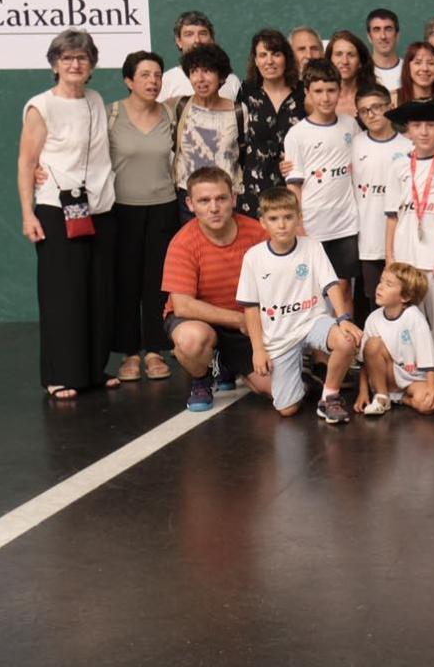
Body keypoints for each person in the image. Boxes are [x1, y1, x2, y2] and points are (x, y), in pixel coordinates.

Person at [19, 29, 120, 399]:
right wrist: (28, 213)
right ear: (54, 64)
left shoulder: (95, 99)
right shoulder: (40, 106)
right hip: (55, 210)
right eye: (67, 58)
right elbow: (26, 161)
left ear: (91, 64)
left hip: (99, 209)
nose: (74, 64)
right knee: (63, 294)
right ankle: (58, 374)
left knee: (96, 292)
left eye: (81, 58)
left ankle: (91, 369)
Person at [237, 187, 362, 423]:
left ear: (299, 218)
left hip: (312, 321)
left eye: (288, 217)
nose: (282, 225)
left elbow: (331, 285)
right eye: (274, 219)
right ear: (263, 222)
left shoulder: (312, 246)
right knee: (288, 409)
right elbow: (251, 308)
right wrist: (258, 349)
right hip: (280, 334)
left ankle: (330, 398)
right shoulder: (253, 257)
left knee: (345, 342)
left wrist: (343, 319)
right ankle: (302, 376)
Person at [161, 167, 268, 412]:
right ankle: (202, 377)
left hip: (245, 321)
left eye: (221, 198)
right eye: (204, 200)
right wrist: (240, 319)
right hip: (200, 320)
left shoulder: (257, 234)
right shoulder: (182, 243)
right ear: (190, 204)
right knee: (191, 340)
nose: (214, 207)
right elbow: (183, 305)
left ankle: (227, 364)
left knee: (271, 390)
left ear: (234, 198)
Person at [106, 50, 178, 383]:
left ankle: (154, 350)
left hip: (164, 207)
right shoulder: (111, 115)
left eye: (157, 75)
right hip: (120, 209)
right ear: (129, 80)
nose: (153, 81)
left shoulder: (172, 113)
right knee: (125, 283)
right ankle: (129, 353)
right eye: (145, 75)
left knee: (156, 283)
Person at [384, 98, 434, 366]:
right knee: (409, 320)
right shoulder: (397, 166)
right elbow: (392, 217)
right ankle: (411, 370)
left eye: (431, 125)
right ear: (408, 130)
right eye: (417, 125)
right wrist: (389, 258)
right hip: (406, 260)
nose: (424, 131)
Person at [281, 60, 359, 296]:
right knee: (314, 290)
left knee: (343, 289)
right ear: (307, 92)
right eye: (318, 91)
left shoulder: (351, 125)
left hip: (346, 225)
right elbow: (294, 185)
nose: (325, 98)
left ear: (340, 91)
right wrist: (299, 224)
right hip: (313, 226)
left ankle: (347, 333)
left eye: (331, 90)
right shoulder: (297, 134)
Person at [356, 262, 434, 416]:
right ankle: (382, 396)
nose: (380, 287)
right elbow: (364, 362)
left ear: (405, 296)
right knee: (372, 345)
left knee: (427, 405)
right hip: (389, 376)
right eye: (381, 281)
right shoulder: (373, 318)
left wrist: (432, 387)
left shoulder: (414, 317)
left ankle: (399, 399)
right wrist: (363, 392)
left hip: (414, 379)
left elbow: (428, 356)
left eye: (389, 284)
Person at [350, 88, 406, 323]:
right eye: (364, 111)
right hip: (368, 239)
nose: (370, 114)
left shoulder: (407, 146)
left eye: (376, 107)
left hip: (402, 240)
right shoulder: (355, 143)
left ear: (389, 107)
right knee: (375, 299)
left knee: (402, 299)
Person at [234, 29, 303, 217]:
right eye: (263, 55)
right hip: (254, 185)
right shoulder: (247, 92)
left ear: (286, 58)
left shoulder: (303, 93)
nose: (269, 61)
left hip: (294, 184)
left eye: (276, 54)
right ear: (255, 60)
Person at [169, 43, 241, 217]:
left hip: (226, 199)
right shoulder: (179, 106)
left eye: (207, 71)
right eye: (194, 71)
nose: (200, 78)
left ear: (221, 76)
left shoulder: (239, 112)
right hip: (189, 200)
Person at [158, 11, 240, 102]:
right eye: (189, 34)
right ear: (179, 41)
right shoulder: (166, 81)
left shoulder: (231, 81)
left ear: (212, 39)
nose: (197, 40)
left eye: (203, 33)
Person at [326, 30, 378, 113]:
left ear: (360, 62)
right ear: (329, 60)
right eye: (338, 54)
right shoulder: (317, 101)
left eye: (351, 55)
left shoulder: (375, 97)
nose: (345, 61)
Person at [391, 41, 434, 105]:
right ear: (407, 68)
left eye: (431, 63)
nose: (425, 68)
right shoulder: (393, 100)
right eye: (418, 63)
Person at [365, 9, 403, 91]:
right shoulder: (361, 72)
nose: (383, 36)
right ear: (369, 37)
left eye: (388, 29)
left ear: (397, 35)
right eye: (376, 30)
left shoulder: (410, 70)